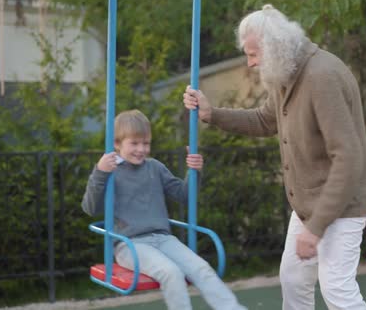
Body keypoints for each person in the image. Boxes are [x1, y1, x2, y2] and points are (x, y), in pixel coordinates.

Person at [183, 4, 366, 310]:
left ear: (274, 48)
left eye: (252, 54)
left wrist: (315, 228)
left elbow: (349, 158)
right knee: (293, 281)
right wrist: (212, 114)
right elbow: (264, 121)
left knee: (337, 288)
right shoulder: (286, 74)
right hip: (308, 203)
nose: (249, 63)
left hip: (342, 203)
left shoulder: (321, 76)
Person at [81, 109, 246, 310]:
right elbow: (90, 208)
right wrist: (100, 172)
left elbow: (184, 196)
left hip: (163, 238)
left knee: (202, 268)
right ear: (117, 144)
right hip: (130, 245)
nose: (141, 149)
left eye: (146, 143)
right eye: (134, 143)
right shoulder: (110, 171)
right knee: (171, 272)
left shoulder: (155, 167)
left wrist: (194, 172)